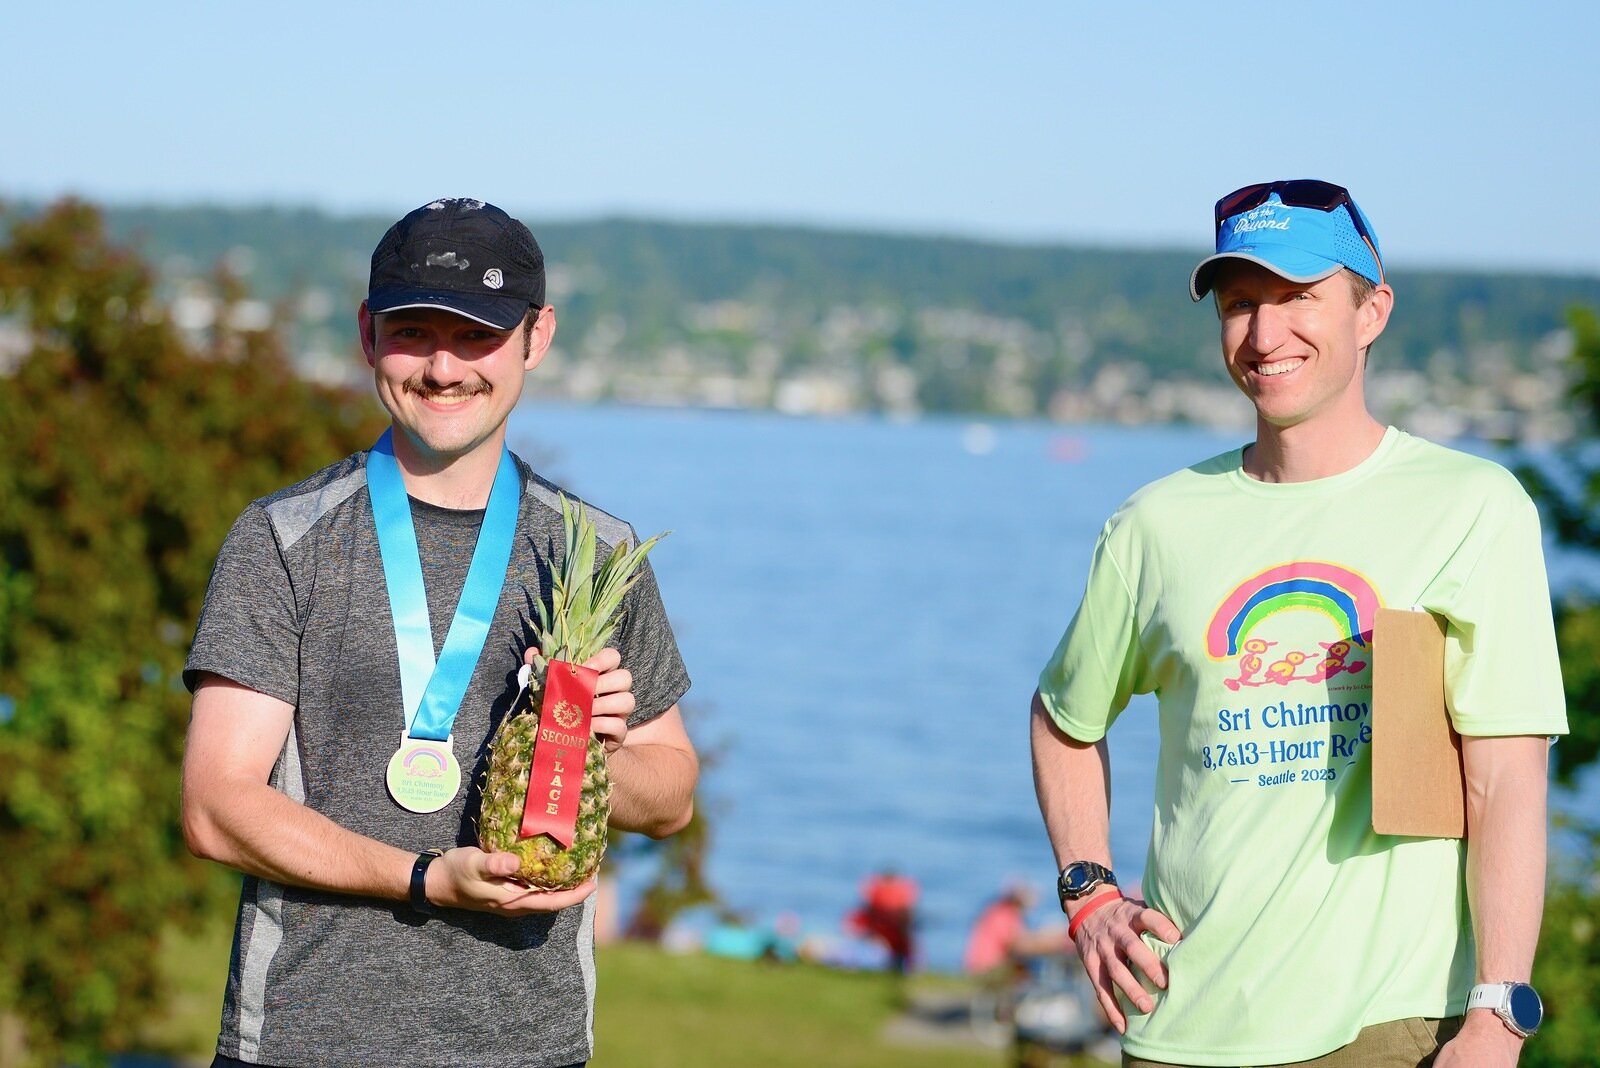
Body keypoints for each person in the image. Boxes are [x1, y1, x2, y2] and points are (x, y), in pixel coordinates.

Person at [1030, 180, 1568, 1067]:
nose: (1265, 334)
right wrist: (1090, 892)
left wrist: (1496, 1016)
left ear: (1372, 311)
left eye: (1298, 297)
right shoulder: (1155, 525)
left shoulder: (1472, 507)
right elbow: (1064, 719)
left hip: (1391, 1030)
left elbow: (1506, 777)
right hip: (1180, 1027)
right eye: (1241, 304)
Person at [181, 197, 699, 1067]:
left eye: (477, 335)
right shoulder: (284, 540)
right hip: (306, 1045)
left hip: (532, 1048)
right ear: (367, 333)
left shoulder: (595, 554)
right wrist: (423, 878)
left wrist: (585, 756)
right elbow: (215, 806)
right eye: (413, 331)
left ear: (537, 337)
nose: (443, 367)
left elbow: (673, 794)